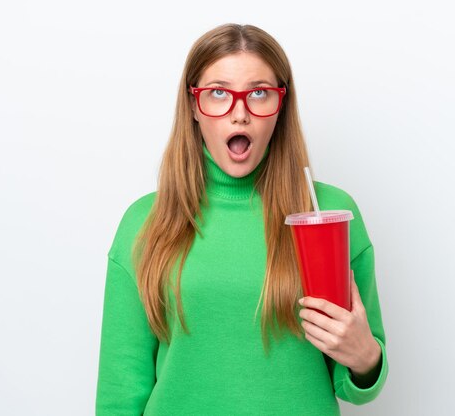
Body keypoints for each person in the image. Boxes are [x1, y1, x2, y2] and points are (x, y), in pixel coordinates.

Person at [95, 23, 388, 415]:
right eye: (218, 93)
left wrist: (366, 357)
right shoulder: (145, 221)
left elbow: (356, 383)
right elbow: (120, 392)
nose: (239, 114)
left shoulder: (328, 216)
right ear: (194, 107)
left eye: (259, 93)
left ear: (280, 106)